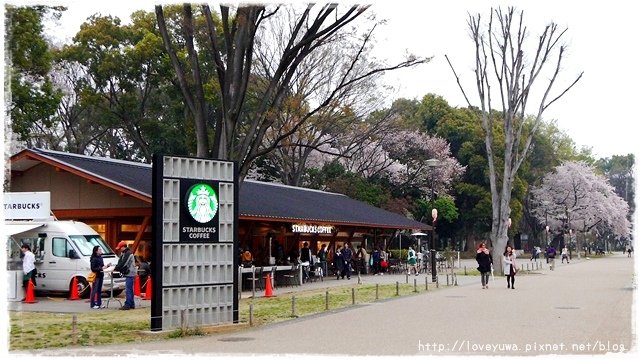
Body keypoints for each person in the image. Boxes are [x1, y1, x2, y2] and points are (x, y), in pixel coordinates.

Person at [114, 241, 136, 310]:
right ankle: (131, 304)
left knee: (128, 290)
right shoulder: (124, 253)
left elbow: (124, 263)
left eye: (120, 248)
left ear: (124, 247)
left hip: (130, 273)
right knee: (130, 289)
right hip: (129, 273)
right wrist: (117, 267)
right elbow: (120, 262)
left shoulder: (128, 254)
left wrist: (116, 268)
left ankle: (127, 304)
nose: (120, 249)